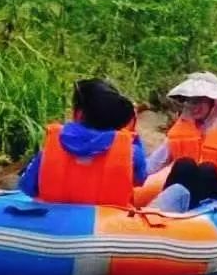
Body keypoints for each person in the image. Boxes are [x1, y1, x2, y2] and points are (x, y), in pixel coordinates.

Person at [20, 78, 147, 207]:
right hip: (106, 223)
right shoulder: (132, 151)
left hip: (53, 221)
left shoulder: (52, 145)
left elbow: (27, 187)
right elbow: (140, 181)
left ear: (78, 113)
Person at [145, 72, 217, 210]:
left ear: (214, 103)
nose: (193, 106)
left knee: (207, 169)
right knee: (184, 164)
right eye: (190, 101)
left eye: (199, 101)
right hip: (183, 197)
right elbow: (153, 164)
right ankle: (162, 212)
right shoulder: (182, 128)